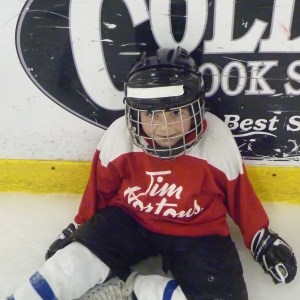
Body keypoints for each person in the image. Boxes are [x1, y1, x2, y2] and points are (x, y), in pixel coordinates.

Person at [5, 47, 297, 300]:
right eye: (151, 115)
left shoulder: (216, 138)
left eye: (175, 113)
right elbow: (99, 189)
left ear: (196, 107)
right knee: (72, 263)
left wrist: (260, 238)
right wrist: (79, 228)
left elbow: (239, 196)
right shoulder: (120, 134)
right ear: (134, 113)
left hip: (200, 231)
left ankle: (132, 289)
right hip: (130, 220)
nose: (164, 127)